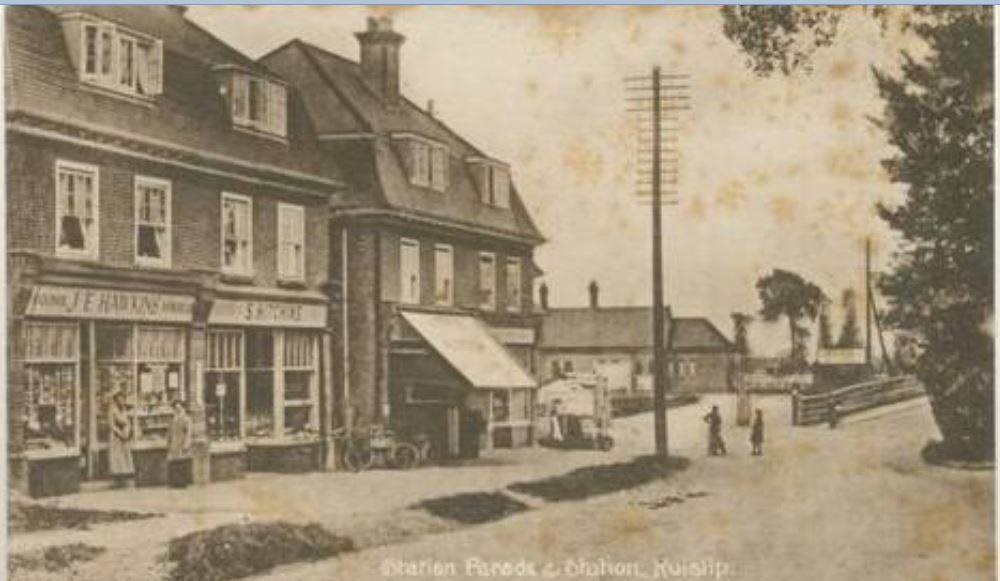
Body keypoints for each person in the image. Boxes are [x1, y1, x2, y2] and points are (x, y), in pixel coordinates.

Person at [108, 391, 135, 488]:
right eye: (119, 399)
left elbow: (127, 422)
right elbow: (111, 425)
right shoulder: (112, 410)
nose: (122, 401)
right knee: (117, 458)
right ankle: (117, 479)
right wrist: (120, 433)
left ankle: (124, 478)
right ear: (116, 400)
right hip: (116, 437)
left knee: (124, 457)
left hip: (124, 437)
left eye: (123, 399)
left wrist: (127, 432)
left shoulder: (123, 410)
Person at [166, 399, 193, 488]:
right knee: (174, 463)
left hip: (181, 443)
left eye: (179, 408)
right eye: (175, 408)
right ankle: (175, 482)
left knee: (181, 463)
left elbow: (189, 432)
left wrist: (186, 443)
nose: (177, 410)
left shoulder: (186, 419)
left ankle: (182, 482)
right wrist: (168, 443)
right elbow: (169, 432)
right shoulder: (173, 419)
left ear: (182, 408)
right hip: (174, 444)